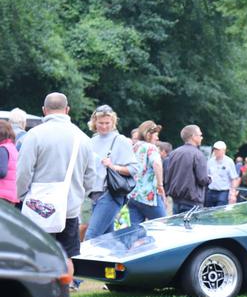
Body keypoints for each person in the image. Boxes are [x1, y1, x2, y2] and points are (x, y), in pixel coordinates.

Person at [16, 92, 95, 262]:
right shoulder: (83, 138)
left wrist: (23, 196)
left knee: (39, 256)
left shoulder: (34, 135)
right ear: (67, 110)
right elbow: (90, 178)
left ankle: (43, 288)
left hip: (38, 208)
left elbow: (23, 171)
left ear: (44, 110)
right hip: (70, 208)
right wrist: (78, 196)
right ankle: (64, 288)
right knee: (68, 258)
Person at [84, 105, 140, 240]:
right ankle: (115, 261)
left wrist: (113, 166)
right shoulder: (90, 141)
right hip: (93, 195)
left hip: (110, 194)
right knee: (107, 240)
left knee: (91, 237)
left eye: (107, 123)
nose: (104, 126)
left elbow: (134, 169)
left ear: (113, 122)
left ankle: (83, 262)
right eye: (100, 123)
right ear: (94, 122)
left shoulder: (120, 140)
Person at [126, 122, 166, 225]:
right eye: (156, 135)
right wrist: (160, 185)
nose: (157, 138)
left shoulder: (134, 147)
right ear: (148, 134)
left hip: (133, 196)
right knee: (163, 226)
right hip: (148, 196)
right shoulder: (151, 147)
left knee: (136, 232)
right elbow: (157, 163)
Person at [165, 125, 209, 214]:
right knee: (191, 227)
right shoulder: (198, 154)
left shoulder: (174, 153)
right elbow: (203, 179)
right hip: (192, 202)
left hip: (176, 200)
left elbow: (167, 175)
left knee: (177, 227)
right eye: (200, 135)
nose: (201, 137)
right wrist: (210, 179)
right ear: (193, 136)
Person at [206, 140, 240, 207]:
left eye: (218, 150)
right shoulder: (210, 161)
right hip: (211, 191)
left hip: (223, 192)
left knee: (219, 212)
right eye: (215, 149)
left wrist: (233, 194)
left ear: (223, 151)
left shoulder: (229, 162)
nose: (216, 151)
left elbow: (234, 179)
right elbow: (206, 176)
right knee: (208, 212)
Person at [0, 121, 19, 204]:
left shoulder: (2, 149)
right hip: (11, 195)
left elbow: (2, 172)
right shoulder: (12, 147)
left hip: (2, 195)